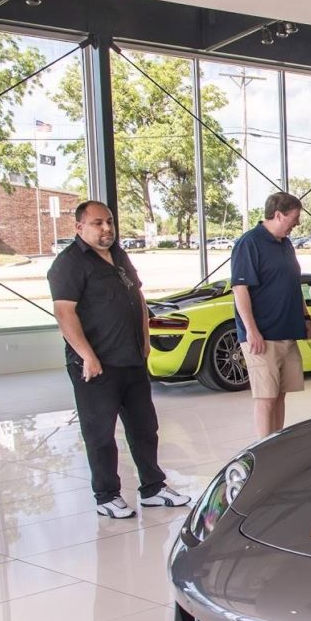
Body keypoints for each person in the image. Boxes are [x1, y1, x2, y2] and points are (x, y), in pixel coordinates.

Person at [47, 201, 190, 518]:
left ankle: (153, 488)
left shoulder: (119, 256)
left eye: (109, 221)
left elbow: (137, 296)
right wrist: (87, 355)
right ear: (80, 227)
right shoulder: (69, 264)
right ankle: (106, 495)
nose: (106, 228)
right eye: (98, 223)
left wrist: (145, 340)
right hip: (97, 366)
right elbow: (64, 312)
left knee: (145, 428)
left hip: (132, 359)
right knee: (100, 434)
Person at [231, 191, 311, 438]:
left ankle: (275, 445)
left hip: (287, 332)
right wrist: (251, 331)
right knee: (266, 398)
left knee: (280, 395)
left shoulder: (285, 244)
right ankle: (262, 452)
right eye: (294, 218)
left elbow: (292, 284)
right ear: (278, 215)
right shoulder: (249, 243)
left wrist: (305, 317)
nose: (296, 224)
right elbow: (240, 289)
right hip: (262, 337)